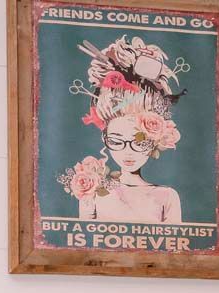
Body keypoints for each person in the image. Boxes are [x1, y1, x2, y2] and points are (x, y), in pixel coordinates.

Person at [59, 36, 187, 224]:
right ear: (105, 139)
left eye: (139, 142)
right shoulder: (92, 194)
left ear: (155, 141)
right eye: (117, 141)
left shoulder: (167, 197)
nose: (128, 151)